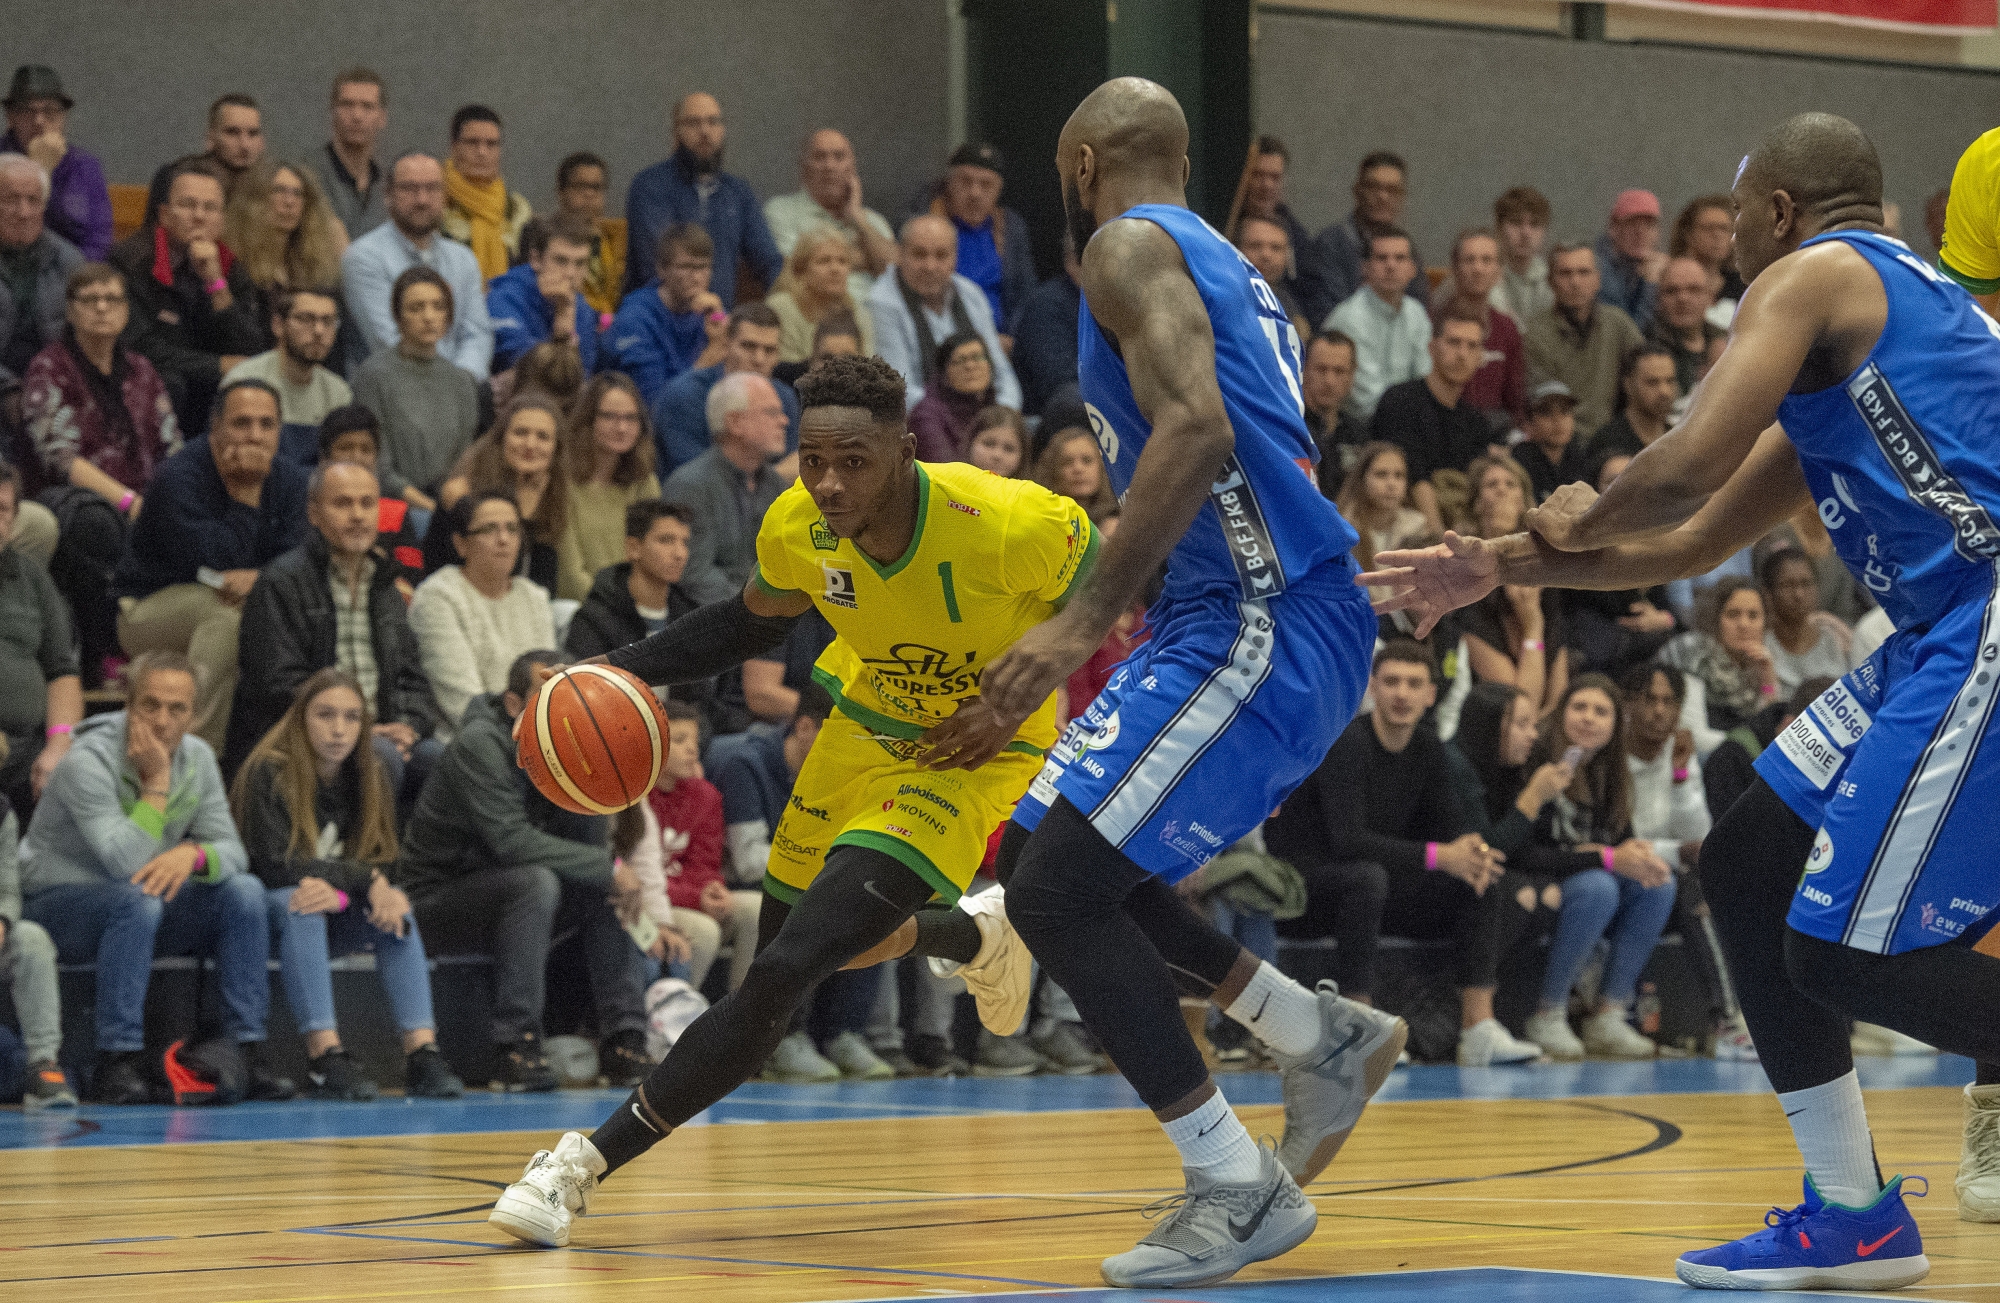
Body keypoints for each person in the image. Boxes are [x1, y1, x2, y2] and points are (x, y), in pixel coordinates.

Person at [1364, 112, 2000, 1285]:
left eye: (1734, 211)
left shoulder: (1815, 276)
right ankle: (1854, 1214)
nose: (1723, 249)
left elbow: (1683, 464)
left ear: (1774, 213)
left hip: (1983, 619)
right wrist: (1500, 560)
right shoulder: (1870, 334)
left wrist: (1576, 509)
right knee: (1751, 860)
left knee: (1845, 953)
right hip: (1936, 632)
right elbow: (1694, 535)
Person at [952, 81, 1422, 1288]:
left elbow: (1198, 430)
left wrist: (1076, 624)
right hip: (1217, 613)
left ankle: (1231, 1183)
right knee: (1052, 855)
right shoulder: (1219, 259)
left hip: (1261, 617)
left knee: (1055, 895)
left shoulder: (1123, 244)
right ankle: (1313, 1032)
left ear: (1083, 157)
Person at [486, 352, 1086, 1247]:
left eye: (854, 460)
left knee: (781, 969)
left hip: (967, 754)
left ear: (905, 450)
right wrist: (610, 668)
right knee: (788, 970)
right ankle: (970, 933)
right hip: (858, 728)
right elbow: (746, 623)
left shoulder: (1006, 519)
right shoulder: (799, 524)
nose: (830, 481)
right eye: (813, 459)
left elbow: (1116, 581)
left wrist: (1017, 688)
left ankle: (579, 1162)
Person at [23, 651, 291, 1105]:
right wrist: (156, 783)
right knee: (138, 897)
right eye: (150, 705)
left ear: (195, 713)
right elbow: (123, 862)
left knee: (243, 893)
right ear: (128, 704)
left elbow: (234, 852)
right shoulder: (86, 762)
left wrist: (192, 854)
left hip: (135, 905)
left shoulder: (200, 758)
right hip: (56, 902)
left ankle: (245, 1049)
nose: (163, 721)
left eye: (177, 708)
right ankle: (117, 1058)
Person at [1266, 642, 1539, 1068]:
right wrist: (1440, 856)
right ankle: (1358, 1026)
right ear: (1372, 688)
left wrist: (1471, 851)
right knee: (1366, 876)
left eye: (1414, 684)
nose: (1402, 693)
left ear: (1431, 694)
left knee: (1479, 874)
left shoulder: (1429, 748)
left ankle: (1478, 1026)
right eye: (1391, 681)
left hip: (1381, 883)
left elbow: (1451, 828)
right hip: (1309, 884)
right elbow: (1348, 841)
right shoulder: (1348, 743)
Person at [402, 648, 651, 1092]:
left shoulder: (571, 745)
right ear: (515, 705)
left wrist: (608, 869)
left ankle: (625, 1039)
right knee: (541, 880)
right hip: (438, 899)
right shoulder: (479, 743)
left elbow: (589, 851)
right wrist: (607, 865)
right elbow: (510, 841)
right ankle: (516, 1045)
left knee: (597, 885)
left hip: (521, 898)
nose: (565, 715)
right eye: (549, 702)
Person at [232, 669, 464, 1100]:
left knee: (397, 912)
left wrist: (374, 888)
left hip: (333, 906)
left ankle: (422, 1053)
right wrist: (361, 882)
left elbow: (383, 860)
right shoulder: (269, 770)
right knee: (301, 900)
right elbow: (272, 865)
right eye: (325, 715)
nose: (339, 730)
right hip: (262, 917)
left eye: (352, 718)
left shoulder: (370, 774)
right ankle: (324, 1054)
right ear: (301, 719)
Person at [221, 459, 442, 791]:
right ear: (313, 513)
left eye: (367, 503)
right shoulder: (282, 581)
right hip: (308, 735)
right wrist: (355, 727)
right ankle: (369, 845)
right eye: (343, 503)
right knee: (381, 758)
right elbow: (275, 685)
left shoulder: (386, 585)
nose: (357, 515)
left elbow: (412, 678)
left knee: (442, 760)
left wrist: (407, 727)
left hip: (380, 733)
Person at [114, 380, 306, 751]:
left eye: (267, 425)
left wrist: (263, 577)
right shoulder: (179, 478)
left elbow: (301, 559)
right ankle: (195, 754)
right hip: (147, 608)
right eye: (242, 423)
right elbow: (214, 565)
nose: (255, 436)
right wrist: (247, 497)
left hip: (244, 601)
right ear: (215, 427)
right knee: (225, 616)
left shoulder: (290, 479)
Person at [20, 263, 180, 681]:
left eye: (112, 300)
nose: (102, 309)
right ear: (70, 311)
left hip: (145, 494)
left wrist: (167, 498)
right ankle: (102, 652)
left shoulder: (142, 370)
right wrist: (127, 500)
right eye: (90, 301)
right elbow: (59, 457)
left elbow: (170, 443)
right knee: (98, 524)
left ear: (127, 312)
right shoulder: (49, 366)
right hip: (68, 497)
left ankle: (160, 646)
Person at [1506, 675, 1675, 1061]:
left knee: (1658, 883)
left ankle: (1609, 1013)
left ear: (1616, 724)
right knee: (1600, 886)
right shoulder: (1539, 760)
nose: (1588, 718)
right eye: (1578, 707)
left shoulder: (1611, 770)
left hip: (1584, 874)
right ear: (1562, 712)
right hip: (1542, 877)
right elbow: (1527, 853)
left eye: (1601, 711)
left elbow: (1617, 843)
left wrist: (1635, 854)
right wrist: (1606, 856)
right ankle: (1548, 1013)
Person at [110, 159, 264, 434]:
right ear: (165, 214)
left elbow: (250, 349)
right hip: (154, 384)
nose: (199, 216)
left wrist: (216, 282)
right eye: (188, 205)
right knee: (172, 383)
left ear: (222, 220)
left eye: (210, 208)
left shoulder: (229, 267)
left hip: (207, 388)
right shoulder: (131, 262)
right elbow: (138, 347)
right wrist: (215, 365)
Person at [407, 492, 555, 738]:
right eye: (489, 529)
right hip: (467, 738)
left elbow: (548, 683)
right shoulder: (438, 596)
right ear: (460, 543)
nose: (504, 539)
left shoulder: (533, 596)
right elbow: (463, 703)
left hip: (535, 731)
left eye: (512, 529)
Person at [341, 153, 494, 378]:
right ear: (387, 196)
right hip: (391, 393)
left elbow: (477, 335)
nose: (422, 199)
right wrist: (451, 385)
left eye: (432, 189)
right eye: (409, 189)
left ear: (444, 196)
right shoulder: (363, 257)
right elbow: (391, 342)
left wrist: (461, 383)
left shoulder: (463, 259)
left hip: (461, 389)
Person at [623, 93, 782, 306]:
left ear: (723, 130)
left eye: (713, 122)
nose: (705, 131)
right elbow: (656, 266)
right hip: (658, 318)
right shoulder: (650, 186)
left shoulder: (738, 192)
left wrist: (788, 304)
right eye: (693, 123)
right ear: (676, 132)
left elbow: (770, 262)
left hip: (718, 319)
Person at [645, 700, 758, 992]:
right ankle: (671, 1023)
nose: (692, 750)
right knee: (703, 931)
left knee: (757, 908)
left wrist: (712, 889)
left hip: (690, 894)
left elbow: (705, 863)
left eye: (694, 741)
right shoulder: (635, 797)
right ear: (652, 745)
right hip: (650, 901)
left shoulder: (705, 796)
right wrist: (696, 898)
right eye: (680, 740)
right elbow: (638, 873)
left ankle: (745, 1023)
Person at [350, 265, 480, 497]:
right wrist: (431, 511)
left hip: (446, 502)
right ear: (398, 317)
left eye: (438, 307)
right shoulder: (373, 376)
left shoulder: (461, 382)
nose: (429, 317)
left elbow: (462, 464)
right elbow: (379, 467)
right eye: (416, 308)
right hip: (394, 502)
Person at [869, 214, 1021, 411]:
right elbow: (898, 390)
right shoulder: (882, 301)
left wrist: (1003, 414)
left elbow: (1001, 373)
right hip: (919, 424)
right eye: (919, 254)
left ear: (955, 258)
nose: (930, 266)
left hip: (983, 418)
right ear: (899, 255)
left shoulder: (971, 294)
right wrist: (956, 419)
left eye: (941, 255)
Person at [662, 371, 790, 604]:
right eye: (771, 412)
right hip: (712, 625)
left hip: (770, 618)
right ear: (735, 423)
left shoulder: (777, 486)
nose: (784, 421)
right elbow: (694, 574)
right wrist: (755, 608)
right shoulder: (690, 486)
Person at [428, 393, 569, 596]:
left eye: (543, 437)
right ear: (501, 439)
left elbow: (544, 586)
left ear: (556, 449)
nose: (530, 445)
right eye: (520, 433)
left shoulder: (550, 493)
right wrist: (526, 514)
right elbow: (495, 570)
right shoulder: (460, 494)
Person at [0, 464, 80, 811]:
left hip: (26, 751)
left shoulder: (31, 579)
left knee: (81, 776)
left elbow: (61, 672)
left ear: (14, 519)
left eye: (1, 510)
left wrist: (60, 742)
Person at [1367, 302, 1494, 510]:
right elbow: (1414, 478)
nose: (1462, 354)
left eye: (1472, 346)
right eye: (1454, 342)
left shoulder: (1476, 421)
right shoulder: (1400, 401)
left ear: (1480, 356)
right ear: (1432, 347)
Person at [651, 303, 799, 473]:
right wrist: (773, 480)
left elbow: (793, 463)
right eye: (748, 346)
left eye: (769, 350)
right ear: (726, 344)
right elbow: (696, 476)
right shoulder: (685, 395)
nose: (759, 359)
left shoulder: (783, 397)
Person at [0, 780, 73, 1108]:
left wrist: (2, 921)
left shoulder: (2, 811)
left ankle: (43, 1065)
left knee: (31, 940)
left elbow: (8, 890)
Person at [556, 374, 660, 601]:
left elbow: (654, 560)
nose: (622, 428)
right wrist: (617, 612)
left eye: (631, 418)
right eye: (610, 417)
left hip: (634, 604)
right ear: (588, 419)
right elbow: (571, 577)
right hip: (582, 608)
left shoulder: (645, 482)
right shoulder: (563, 482)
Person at [1523, 244, 1645, 437]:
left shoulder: (1618, 323)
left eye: (1584, 272)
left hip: (1614, 438)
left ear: (1598, 280)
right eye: (1565, 274)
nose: (1575, 282)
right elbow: (1546, 405)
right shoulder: (1535, 333)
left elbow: (1646, 370)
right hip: (1560, 442)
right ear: (1550, 282)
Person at [762, 128, 897, 302]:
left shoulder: (872, 221)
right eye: (819, 157)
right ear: (803, 167)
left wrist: (858, 220)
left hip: (876, 321)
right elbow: (795, 270)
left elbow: (898, 275)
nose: (829, 166)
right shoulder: (780, 211)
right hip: (815, 320)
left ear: (852, 168)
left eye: (839, 157)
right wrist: (868, 260)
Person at [223, 160, 348, 344]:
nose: (289, 202)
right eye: (278, 191)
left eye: (298, 194)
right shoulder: (237, 263)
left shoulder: (314, 265)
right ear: (257, 200)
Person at [608, 223, 724, 409]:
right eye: (685, 267)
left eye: (703, 267)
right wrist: (710, 357)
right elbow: (653, 405)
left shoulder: (712, 312)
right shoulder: (636, 318)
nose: (696, 277)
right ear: (662, 269)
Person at [924, 141, 1035, 334]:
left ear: (998, 190)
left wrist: (1012, 339)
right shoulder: (925, 221)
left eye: (986, 184)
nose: (975, 193)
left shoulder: (1010, 226)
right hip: (943, 338)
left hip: (1001, 340)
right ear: (949, 184)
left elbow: (1024, 295)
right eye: (966, 182)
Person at [1, 66, 110, 259]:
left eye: (50, 111)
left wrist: (74, 279)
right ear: (11, 117)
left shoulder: (84, 166)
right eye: (28, 111)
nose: (39, 121)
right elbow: (21, 230)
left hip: (71, 274)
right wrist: (40, 170)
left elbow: (99, 240)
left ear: (63, 118)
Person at [1223, 135, 1334, 325]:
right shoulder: (1222, 226)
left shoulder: (1297, 237)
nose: (1266, 185)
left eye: (1275, 177)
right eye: (1258, 175)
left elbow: (1311, 293)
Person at [1324, 227, 1429, 421]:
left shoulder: (1417, 313)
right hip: (1361, 426)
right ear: (1365, 268)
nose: (1390, 265)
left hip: (1411, 421)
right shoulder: (1348, 318)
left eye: (1399, 258)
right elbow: (1366, 400)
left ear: (1412, 269)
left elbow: (1426, 380)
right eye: (1381, 258)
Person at [222, 287, 351, 436]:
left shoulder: (337, 393)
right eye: (306, 319)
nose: (319, 331)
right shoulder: (243, 382)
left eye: (328, 322)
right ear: (278, 326)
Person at [0, 151, 83, 379]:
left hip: (52, 379)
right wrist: (8, 389)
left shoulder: (68, 261)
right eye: (11, 200)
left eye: (33, 201)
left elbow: (85, 340)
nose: (24, 212)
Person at [1434, 228, 1526, 430]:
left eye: (1486, 261)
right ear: (1455, 268)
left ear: (1499, 271)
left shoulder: (1507, 328)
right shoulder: (1434, 322)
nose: (1478, 269)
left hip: (1495, 431)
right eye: (1469, 260)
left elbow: (1515, 401)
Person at [487, 214, 597, 375]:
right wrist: (562, 330)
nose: (571, 273)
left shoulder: (580, 306)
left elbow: (583, 374)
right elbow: (524, 365)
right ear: (536, 259)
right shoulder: (503, 298)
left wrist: (565, 312)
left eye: (580, 263)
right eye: (561, 260)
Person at [1315, 151, 1423, 308]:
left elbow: (1418, 305)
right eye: (1374, 187)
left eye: (1392, 190)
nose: (1383, 197)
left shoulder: (1405, 247)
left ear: (1402, 198)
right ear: (1357, 191)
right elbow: (1332, 311)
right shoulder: (1330, 244)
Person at [440, 106, 530, 284]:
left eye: (491, 144)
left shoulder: (517, 210)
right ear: (454, 147)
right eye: (472, 143)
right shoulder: (435, 202)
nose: (482, 152)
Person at [765, 226, 875, 363]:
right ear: (801, 269)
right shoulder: (780, 308)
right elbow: (781, 370)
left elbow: (867, 370)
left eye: (842, 261)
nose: (835, 269)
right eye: (824, 261)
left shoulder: (860, 315)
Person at [146, 94, 264, 216]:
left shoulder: (275, 185)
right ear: (210, 138)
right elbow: (151, 233)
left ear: (262, 141)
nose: (245, 145)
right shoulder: (175, 177)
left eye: (253, 133)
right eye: (232, 132)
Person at [1760, 548, 1852, 700]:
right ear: (1768, 594)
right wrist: (1768, 686)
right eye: (1787, 585)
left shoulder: (1837, 640)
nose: (1799, 594)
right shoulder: (1763, 648)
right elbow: (1765, 697)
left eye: (1806, 583)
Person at [1335, 442, 1427, 592]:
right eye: (1381, 475)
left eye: (1399, 475)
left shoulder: (1418, 527)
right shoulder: (1343, 529)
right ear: (1362, 480)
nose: (1392, 484)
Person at [1010, 234, 1083, 416]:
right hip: (1049, 412)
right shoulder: (1046, 304)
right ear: (1072, 262)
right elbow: (1057, 378)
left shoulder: (1109, 304)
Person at [313, 69, 389, 239]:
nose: (357, 116)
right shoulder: (308, 176)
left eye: (367, 107)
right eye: (347, 105)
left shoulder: (388, 184)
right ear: (332, 113)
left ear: (382, 118)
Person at [553, 152, 624, 319]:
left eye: (596, 187)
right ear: (561, 192)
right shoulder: (549, 241)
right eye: (580, 186)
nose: (589, 194)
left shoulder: (618, 240)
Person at [1586, 343, 1680, 468]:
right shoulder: (1607, 442)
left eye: (1670, 381)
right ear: (1628, 384)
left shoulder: (1678, 438)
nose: (1664, 391)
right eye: (1652, 382)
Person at [908, 332, 993, 462]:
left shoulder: (993, 407)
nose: (970, 366)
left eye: (977, 357)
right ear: (944, 372)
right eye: (960, 361)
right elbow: (946, 472)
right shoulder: (926, 415)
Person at [1649, 256, 1727, 396]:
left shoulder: (1728, 341)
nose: (1683, 298)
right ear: (1658, 299)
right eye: (1672, 291)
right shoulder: (1646, 344)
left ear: (1710, 297)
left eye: (1694, 290)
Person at [1596, 189, 1665, 332]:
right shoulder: (1599, 270)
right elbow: (1629, 336)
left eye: (1649, 225)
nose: (1640, 232)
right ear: (1613, 228)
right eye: (1631, 224)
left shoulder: (1656, 264)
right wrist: (1650, 285)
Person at [1672, 194, 1747, 324]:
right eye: (1708, 228)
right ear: (1689, 235)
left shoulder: (1740, 285)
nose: (1717, 235)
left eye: (1724, 229)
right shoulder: (1672, 280)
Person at [1301, 330, 1364, 483]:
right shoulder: (1291, 428)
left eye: (1339, 371)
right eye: (1321, 369)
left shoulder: (1358, 434)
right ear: (1304, 369)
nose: (1329, 381)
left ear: (1352, 375)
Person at [1233, 215, 1311, 339]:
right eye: (1255, 246)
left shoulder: (1290, 305)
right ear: (1235, 250)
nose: (1266, 255)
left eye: (1276, 248)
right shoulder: (1223, 299)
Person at [1514, 380, 1591, 503]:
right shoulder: (1519, 462)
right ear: (1529, 424)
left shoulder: (1580, 458)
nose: (1558, 420)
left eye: (1565, 411)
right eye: (1546, 413)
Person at [1490, 185, 1552, 326]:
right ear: (1499, 228)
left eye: (1534, 224)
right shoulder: (1482, 273)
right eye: (1516, 222)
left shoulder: (1552, 278)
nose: (1525, 233)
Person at [1031, 424, 1119, 525]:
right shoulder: (1039, 522)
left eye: (1087, 460)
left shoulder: (1117, 524)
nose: (1078, 469)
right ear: (1052, 470)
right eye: (1067, 462)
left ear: (1102, 466)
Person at [964, 405, 1027, 478]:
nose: (997, 455)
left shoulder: (1030, 489)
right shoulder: (948, 483)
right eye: (989, 444)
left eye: (1009, 449)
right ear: (971, 442)